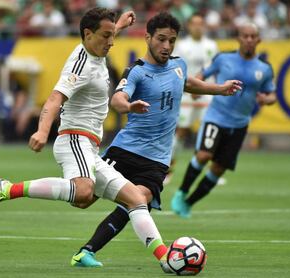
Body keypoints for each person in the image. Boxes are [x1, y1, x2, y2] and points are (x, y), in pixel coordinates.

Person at [0, 8, 172, 273]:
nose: (111, 42)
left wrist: (120, 25)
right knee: (83, 191)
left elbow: (105, 34)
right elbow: (55, 99)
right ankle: (8, 189)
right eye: (106, 36)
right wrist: (42, 131)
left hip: (90, 146)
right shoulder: (80, 64)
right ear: (87, 35)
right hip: (73, 139)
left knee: (136, 198)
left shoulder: (95, 48)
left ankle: (166, 259)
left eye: (112, 35)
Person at [70, 12, 242, 267]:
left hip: (157, 161)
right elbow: (118, 97)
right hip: (126, 152)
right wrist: (128, 106)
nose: (166, 46)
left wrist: (219, 89)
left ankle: (86, 253)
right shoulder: (138, 71)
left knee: (139, 202)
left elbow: (187, 83)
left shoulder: (179, 65)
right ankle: (17, 189)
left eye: (171, 40)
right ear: (148, 38)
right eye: (161, 39)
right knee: (82, 199)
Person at [171, 23, 277, 218]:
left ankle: (188, 203)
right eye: (245, 36)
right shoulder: (223, 59)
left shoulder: (264, 68)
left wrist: (266, 99)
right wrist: (196, 89)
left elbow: (272, 94)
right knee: (203, 155)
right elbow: (204, 73)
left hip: (239, 125)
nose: (249, 40)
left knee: (218, 169)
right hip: (215, 117)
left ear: (258, 40)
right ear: (238, 38)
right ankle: (182, 191)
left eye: (253, 36)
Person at [167, 13, 219, 184]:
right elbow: (176, 68)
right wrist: (190, 88)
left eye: (200, 23)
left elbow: (215, 69)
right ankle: (168, 168)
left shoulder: (211, 45)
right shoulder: (182, 46)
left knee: (209, 132)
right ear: (189, 26)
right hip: (188, 96)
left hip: (206, 96)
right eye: (194, 24)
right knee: (181, 132)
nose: (197, 27)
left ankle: (211, 172)